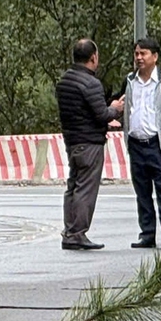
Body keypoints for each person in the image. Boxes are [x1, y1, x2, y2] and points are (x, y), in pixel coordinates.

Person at [55, 39, 124, 250]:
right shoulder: (91, 83)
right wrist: (115, 108)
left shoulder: (64, 81)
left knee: (73, 186)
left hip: (72, 140)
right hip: (90, 142)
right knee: (86, 189)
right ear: (93, 57)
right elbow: (101, 114)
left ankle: (69, 231)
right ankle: (78, 233)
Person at [123, 38, 161, 250]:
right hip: (136, 144)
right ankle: (147, 234)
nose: (139, 57)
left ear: (155, 57)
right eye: (136, 53)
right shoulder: (130, 81)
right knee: (142, 193)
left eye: (143, 53)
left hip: (158, 144)